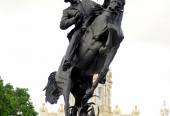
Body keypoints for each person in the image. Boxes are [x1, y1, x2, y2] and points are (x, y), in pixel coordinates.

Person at [60, 0, 103, 71]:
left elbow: (102, 9)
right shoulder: (67, 10)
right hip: (81, 29)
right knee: (75, 37)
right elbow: (62, 25)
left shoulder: (88, 2)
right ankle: (67, 60)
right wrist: (74, 19)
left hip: (94, 25)